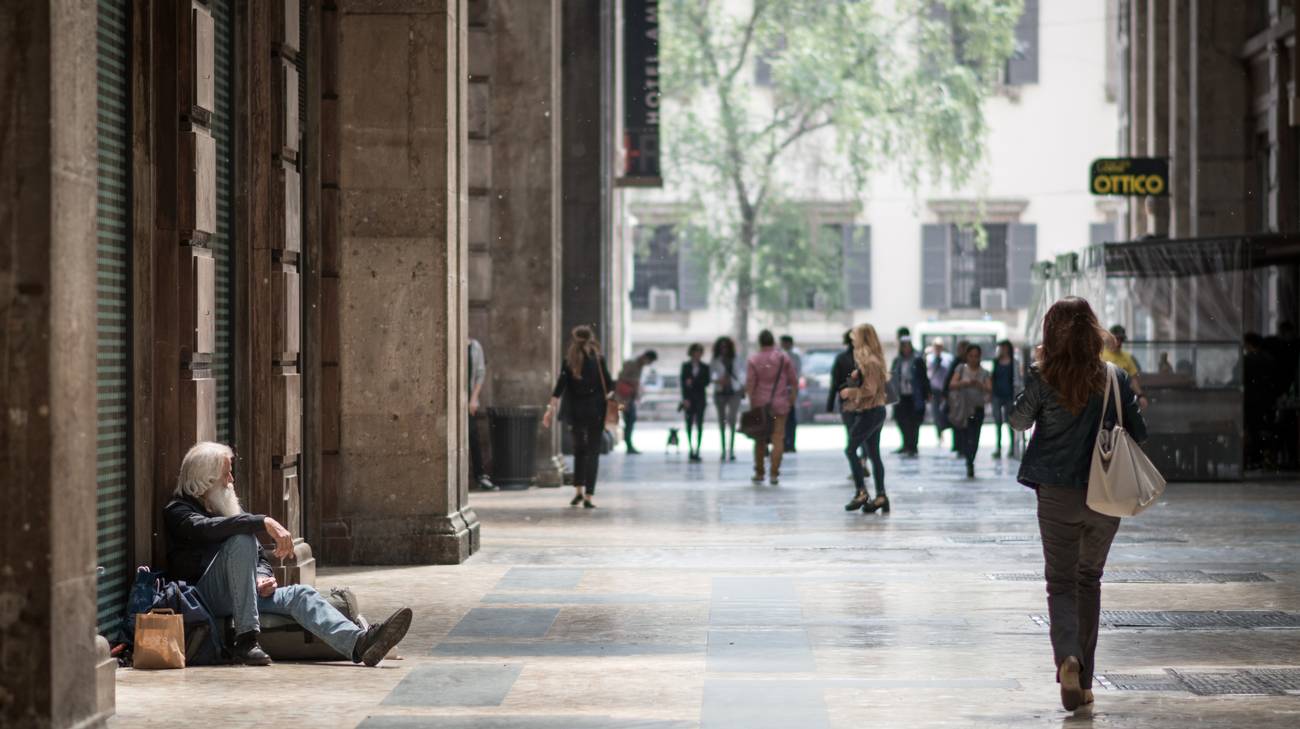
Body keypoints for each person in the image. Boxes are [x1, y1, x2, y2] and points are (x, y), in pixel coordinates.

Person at [1010, 297, 1147, 712]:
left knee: (1061, 583)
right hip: (1105, 494)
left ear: (1051, 334)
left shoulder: (1043, 375)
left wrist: (1036, 369)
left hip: (1056, 494)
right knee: (1089, 580)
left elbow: (1017, 421)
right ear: (1093, 331)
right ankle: (1085, 681)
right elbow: (1138, 432)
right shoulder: (1115, 378)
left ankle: (1068, 657)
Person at [164, 442, 413, 667]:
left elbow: (259, 557)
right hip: (204, 596)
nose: (231, 479)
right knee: (242, 538)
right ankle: (246, 640)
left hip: (242, 594)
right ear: (206, 479)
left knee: (300, 594)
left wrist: (261, 577)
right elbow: (205, 530)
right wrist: (263, 522)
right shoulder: (179, 510)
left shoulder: (226, 506)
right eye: (225, 474)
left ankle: (360, 643)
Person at [543, 325, 615, 508]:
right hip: (596, 412)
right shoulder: (598, 360)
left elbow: (559, 387)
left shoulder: (569, 361)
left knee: (579, 451)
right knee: (593, 453)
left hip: (575, 412)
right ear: (591, 338)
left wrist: (549, 409)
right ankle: (589, 496)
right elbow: (609, 385)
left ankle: (578, 492)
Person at [838, 323, 890, 514]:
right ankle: (881, 496)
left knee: (851, 449)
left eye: (855, 337)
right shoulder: (870, 360)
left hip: (871, 411)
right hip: (875, 411)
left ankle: (861, 491)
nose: (853, 341)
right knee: (873, 454)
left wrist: (849, 392)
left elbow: (870, 389)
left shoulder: (870, 361)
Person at [745, 330, 797, 486]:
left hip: (760, 405)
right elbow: (793, 382)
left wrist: (752, 403)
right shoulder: (783, 358)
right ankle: (774, 473)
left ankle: (759, 472)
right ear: (773, 341)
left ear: (760, 342)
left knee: (759, 439)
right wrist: (791, 401)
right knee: (778, 438)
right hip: (780, 404)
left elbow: (750, 384)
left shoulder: (753, 359)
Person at [949, 343, 992, 478]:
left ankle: (971, 459)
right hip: (964, 408)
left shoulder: (984, 372)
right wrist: (964, 383)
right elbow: (952, 384)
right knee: (966, 435)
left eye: (976, 356)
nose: (974, 359)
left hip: (978, 408)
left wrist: (980, 385)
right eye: (971, 356)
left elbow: (990, 388)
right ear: (967, 357)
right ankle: (968, 461)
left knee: (975, 436)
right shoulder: (961, 369)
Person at [829, 330, 867, 478]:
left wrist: (830, 402)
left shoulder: (841, 359)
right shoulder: (865, 358)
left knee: (852, 433)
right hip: (864, 400)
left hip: (846, 401)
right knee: (864, 432)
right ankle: (863, 463)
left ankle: (856, 466)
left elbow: (835, 382)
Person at [890, 335, 930, 457]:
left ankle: (913, 445)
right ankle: (906, 444)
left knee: (914, 422)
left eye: (908, 346)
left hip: (914, 395)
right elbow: (892, 377)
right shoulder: (897, 361)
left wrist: (927, 392)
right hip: (901, 395)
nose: (906, 349)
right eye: (904, 346)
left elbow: (924, 378)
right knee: (901, 420)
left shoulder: (917, 360)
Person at [614, 349, 657, 454]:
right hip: (622, 399)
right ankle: (628, 444)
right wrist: (633, 383)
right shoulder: (631, 364)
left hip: (630, 398)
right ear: (645, 357)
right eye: (649, 361)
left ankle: (629, 444)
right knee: (626, 417)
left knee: (630, 419)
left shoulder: (640, 367)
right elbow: (621, 378)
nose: (648, 364)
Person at [710, 336, 745, 461]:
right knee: (721, 421)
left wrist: (742, 386)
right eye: (721, 347)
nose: (724, 349)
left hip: (734, 392)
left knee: (732, 420)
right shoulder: (715, 360)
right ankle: (723, 449)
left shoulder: (737, 359)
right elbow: (710, 376)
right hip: (720, 393)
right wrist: (718, 380)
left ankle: (731, 449)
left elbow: (742, 373)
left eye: (726, 346)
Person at [467, 337, 494, 490]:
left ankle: (480, 475)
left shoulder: (475, 346)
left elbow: (480, 373)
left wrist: (474, 398)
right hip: (452, 398)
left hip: (468, 399)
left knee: (472, 435)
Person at [1101, 325, 1148, 410]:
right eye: (1116, 339)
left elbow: (1133, 379)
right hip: (1102, 398)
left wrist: (1140, 396)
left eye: (1121, 340)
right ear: (1109, 339)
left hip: (1121, 398)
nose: (1118, 343)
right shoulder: (1100, 354)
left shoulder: (1126, 357)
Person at [680, 343, 711, 461]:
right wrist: (685, 399)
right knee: (688, 423)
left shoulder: (705, 367)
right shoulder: (685, 366)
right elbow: (683, 384)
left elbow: (706, 382)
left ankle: (697, 449)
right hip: (689, 398)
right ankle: (690, 448)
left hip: (700, 399)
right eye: (695, 351)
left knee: (699, 424)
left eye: (699, 352)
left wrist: (692, 382)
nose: (697, 354)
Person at [990, 339, 1021, 459]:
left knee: (1010, 423)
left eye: (1004, 347)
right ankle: (998, 448)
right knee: (997, 422)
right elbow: (993, 378)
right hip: (997, 395)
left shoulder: (1014, 362)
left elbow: (1017, 379)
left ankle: (1012, 448)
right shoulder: (996, 362)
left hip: (1009, 396)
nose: (1002, 350)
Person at [927, 339, 954, 445]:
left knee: (947, 413)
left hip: (945, 390)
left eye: (939, 346)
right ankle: (939, 434)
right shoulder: (929, 358)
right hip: (934, 390)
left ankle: (947, 432)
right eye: (936, 346)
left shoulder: (948, 358)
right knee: (935, 413)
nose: (937, 348)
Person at [780, 335, 803, 454]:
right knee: (783, 418)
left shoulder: (795, 357)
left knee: (790, 418)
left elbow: (797, 373)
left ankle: (791, 443)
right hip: (782, 390)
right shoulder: (779, 356)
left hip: (790, 389)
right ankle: (784, 442)